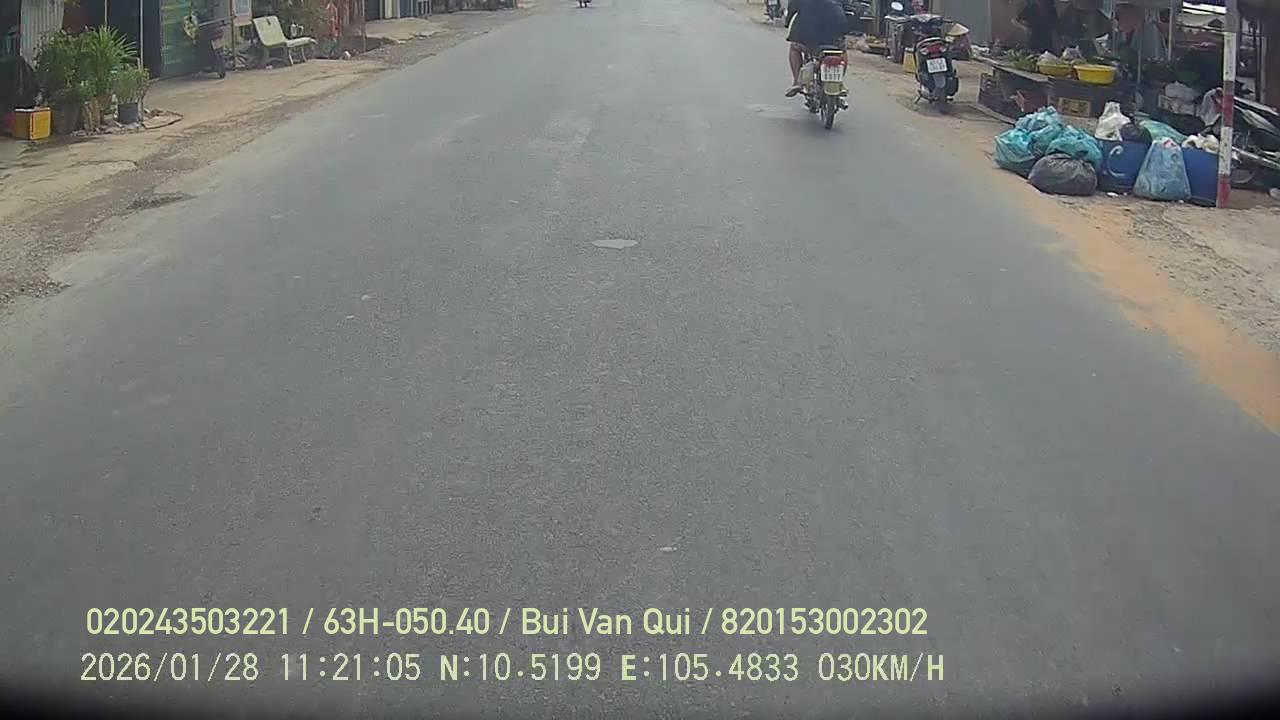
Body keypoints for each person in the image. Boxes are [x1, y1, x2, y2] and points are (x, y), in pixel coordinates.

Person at [784, 0, 852, 97]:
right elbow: (847, 7)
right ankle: (840, 82)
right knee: (842, 51)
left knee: (794, 47)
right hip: (835, 33)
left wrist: (787, 22)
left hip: (808, 34)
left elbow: (792, 8)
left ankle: (797, 82)